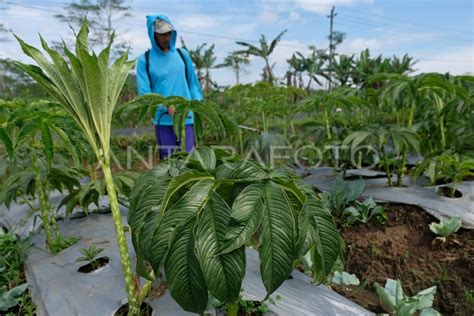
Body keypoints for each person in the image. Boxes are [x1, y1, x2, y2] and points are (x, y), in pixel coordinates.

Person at [136, 15, 203, 159]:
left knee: (191, 163)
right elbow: (145, 95)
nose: (166, 38)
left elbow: (193, 84)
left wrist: (197, 105)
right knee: (170, 165)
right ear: (153, 35)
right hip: (164, 122)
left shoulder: (182, 55)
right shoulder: (144, 60)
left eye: (168, 33)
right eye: (162, 34)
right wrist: (166, 108)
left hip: (187, 119)